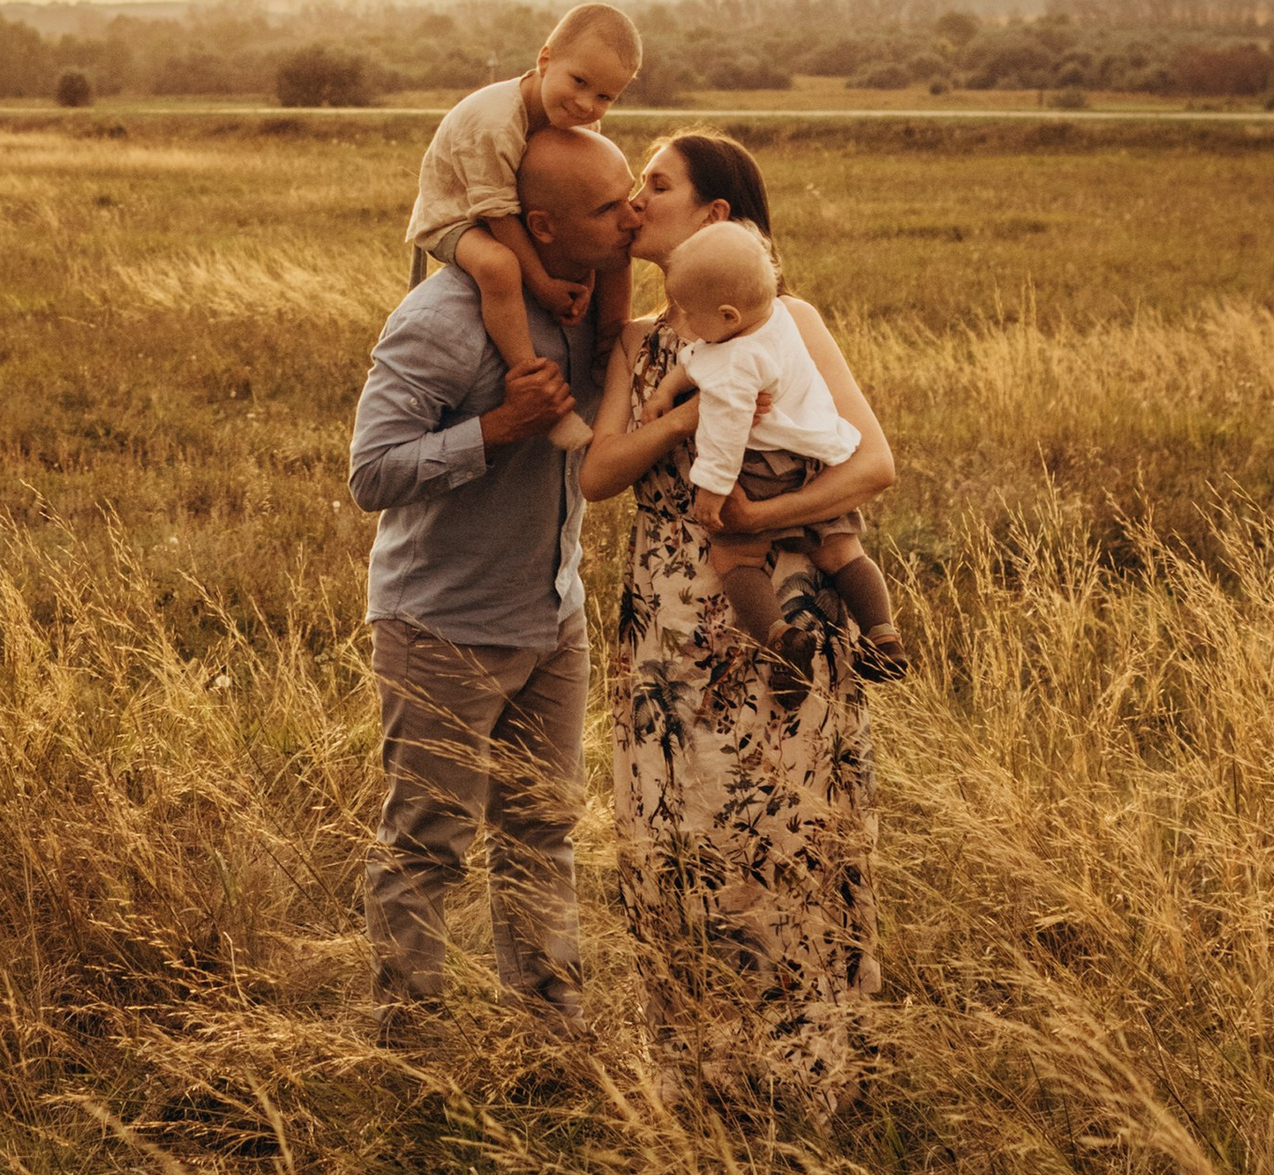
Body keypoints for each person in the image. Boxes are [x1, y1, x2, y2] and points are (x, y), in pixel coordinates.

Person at [583, 132, 895, 1103]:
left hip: (775, 605)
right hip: (667, 624)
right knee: (673, 835)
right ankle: (695, 1077)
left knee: (789, 832)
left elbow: (871, 463)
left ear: (714, 215)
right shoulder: (637, 343)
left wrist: (760, 517)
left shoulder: (786, 320)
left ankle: (806, 1074)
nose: (637, 198)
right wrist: (684, 417)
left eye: (658, 184)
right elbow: (598, 473)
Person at [349, 125, 639, 1041]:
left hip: (554, 614)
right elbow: (372, 474)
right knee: (427, 842)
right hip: (441, 624)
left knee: (543, 831)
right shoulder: (441, 319)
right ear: (541, 227)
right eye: (608, 207)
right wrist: (498, 428)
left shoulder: (594, 306)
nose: (630, 217)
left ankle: (550, 1030)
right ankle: (409, 1041)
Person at [656, 217, 906, 681]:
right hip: (815, 459)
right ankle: (882, 633)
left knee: (735, 558)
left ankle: (780, 638)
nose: (686, 323)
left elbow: (726, 430)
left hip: (762, 468)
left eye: (691, 313)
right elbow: (695, 361)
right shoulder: (780, 318)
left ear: (728, 317)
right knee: (842, 551)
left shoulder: (734, 360)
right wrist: (667, 389)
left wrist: (713, 488)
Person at [400, 6, 642, 451]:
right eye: (579, 81)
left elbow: (574, 196)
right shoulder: (494, 122)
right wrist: (544, 286)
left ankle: (610, 353)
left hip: (521, 209)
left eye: (605, 96)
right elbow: (498, 215)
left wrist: (585, 279)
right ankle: (535, 385)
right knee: (499, 266)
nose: (586, 104)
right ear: (545, 59)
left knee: (613, 242)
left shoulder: (578, 119)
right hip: (458, 215)